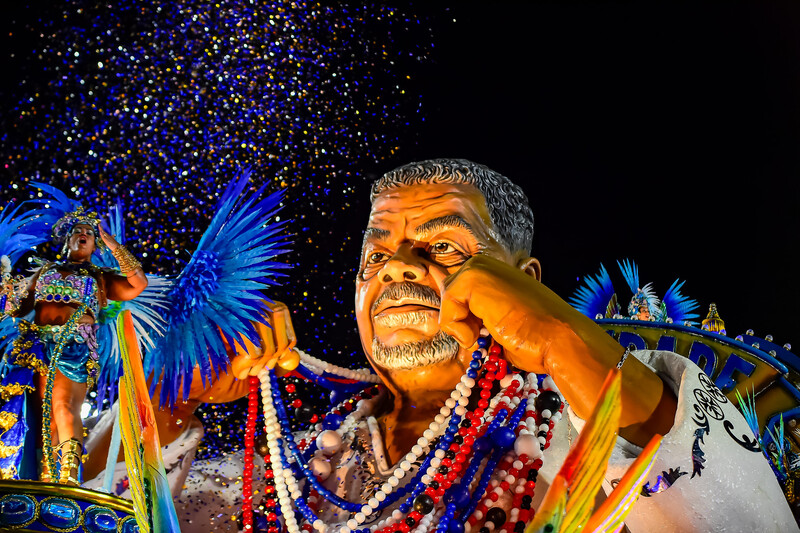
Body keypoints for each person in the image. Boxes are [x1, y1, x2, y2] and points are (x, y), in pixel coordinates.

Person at [244, 159, 797, 532]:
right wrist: (170, 406)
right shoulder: (296, 463)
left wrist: (563, 339)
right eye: (375, 255)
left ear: (525, 280)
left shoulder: (567, 428)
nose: (397, 269)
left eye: (441, 245)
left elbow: (736, 515)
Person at [0, 207, 147, 484]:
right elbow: (17, 308)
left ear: (95, 244)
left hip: (74, 346)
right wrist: (4, 288)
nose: (83, 235)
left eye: (89, 233)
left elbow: (138, 283)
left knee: (65, 407)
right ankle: (43, 478)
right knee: (42, 418)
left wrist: (114, 245)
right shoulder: (45, 271)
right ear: (67, 240)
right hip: (37, 347)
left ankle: (68, 476)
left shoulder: (100, 277)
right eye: (77, 231)